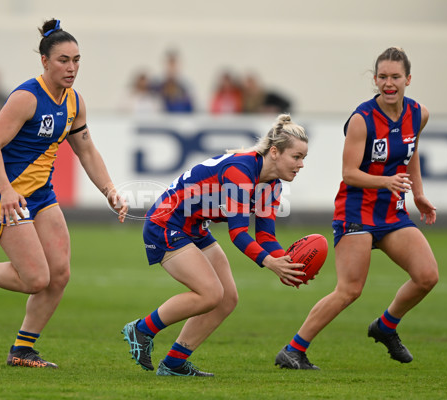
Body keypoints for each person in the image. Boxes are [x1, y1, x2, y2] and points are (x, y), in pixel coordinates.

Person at [0, 19, 128, 369]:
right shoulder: (27, 97)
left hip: (41, 197)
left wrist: (109, 190)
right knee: (35, 279)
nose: (71, 67)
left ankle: (22, 350)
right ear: (44, 62)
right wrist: (7, 190)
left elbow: (86, 150)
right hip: (6, 198)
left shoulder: (75, 102)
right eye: (63, 60)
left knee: (59, 275)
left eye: (76, 60)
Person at [274, 47, 439, 370]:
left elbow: (411, 152)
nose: (389, 83)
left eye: (395, 77)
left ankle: (386, 326)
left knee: (427, 276)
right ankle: (293, 350)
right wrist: (387, 181)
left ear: (408, 79)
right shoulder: (362, 120)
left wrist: (418, 194)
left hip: (391, 213)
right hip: (356, 213)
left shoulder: (419, 114)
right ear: (375, 79)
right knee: (349, 290)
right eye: (383, 77)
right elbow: (349, 173)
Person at [122, 114, 310, 376]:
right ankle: (141, 329)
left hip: (194, 227)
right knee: (210, 293)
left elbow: (266, 237)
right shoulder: (241, 170)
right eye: (297, 157)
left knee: (227, 298)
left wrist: (287, 263)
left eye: (304, 158)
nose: (301, 165)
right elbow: (239, 234)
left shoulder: (272, 186)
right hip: (166, 223)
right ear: (275, 152)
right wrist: (270, 263)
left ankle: (174, 363)